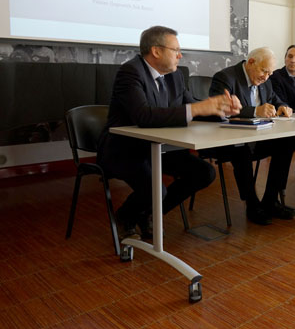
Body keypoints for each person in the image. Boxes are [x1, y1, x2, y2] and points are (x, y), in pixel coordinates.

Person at [97, 26, 241, 240]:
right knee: (157, 190)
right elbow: (143, 116)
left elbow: (192, 107)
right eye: (176, 50)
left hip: (160, 148)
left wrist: (221, 110)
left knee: (204, 172)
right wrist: (199, 108)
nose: (180, 56)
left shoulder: (175, 76)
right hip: (125, 150)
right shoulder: (130, 72)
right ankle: (126, 215)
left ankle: (148, 213)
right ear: (156, 51)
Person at [205, 47, 295, 225]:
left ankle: (271, 201)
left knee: (287, 142)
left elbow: (274, 99)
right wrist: (255, 111)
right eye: (264, 71)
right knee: (241, 149)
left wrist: (282, 106)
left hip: (257, 138)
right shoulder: (225, 77)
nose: (266, 77)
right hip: (229, 140)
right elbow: (220, 109)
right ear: (251, 62)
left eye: (270, 73)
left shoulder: (266, 81)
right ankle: (252, 204)